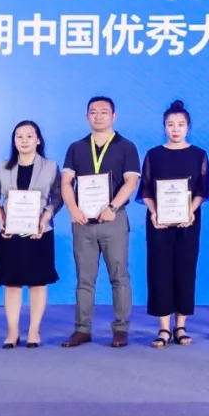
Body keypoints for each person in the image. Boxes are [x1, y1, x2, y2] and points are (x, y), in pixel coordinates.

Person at [60, 96, 141, 348]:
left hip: (113, 219)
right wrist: (72, 209)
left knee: (119, 275)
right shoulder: (76, 147)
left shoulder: (126, 146)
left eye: (104, 112)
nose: (98, 116)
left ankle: (121, 329)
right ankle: (82, 329)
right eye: (93, 112)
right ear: (87, 117)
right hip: (83, 221)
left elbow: (131, 182)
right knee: (84, 279)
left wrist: (113, 206)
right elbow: (66, 182)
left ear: (113, 116)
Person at [138, 100, 209, 348]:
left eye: (180, 124)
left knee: (185, 270)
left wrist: (190, 211)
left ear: (188, 127)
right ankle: (163, 328)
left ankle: (180, 326)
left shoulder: (199, 154)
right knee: (159, 271)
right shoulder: (154, 154)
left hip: (188, 222)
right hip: (158, 223)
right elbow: (146, 189)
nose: (175, 129)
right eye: (170, 124)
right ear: (164, 127)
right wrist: (154, 212)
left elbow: (202, 189)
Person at [0, 120, 62, 348]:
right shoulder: (2, 167)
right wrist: (0, 219)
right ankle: (12, 331)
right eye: (19, 136)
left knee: (38, 283)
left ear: (38, 140)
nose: (24, 140)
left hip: (40, 232)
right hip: (9, 233)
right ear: (14, 141)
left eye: (30, 136)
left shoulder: (50, 166)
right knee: (12, 283)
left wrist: (45, 217)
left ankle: (33, 330)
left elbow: (58, 197)